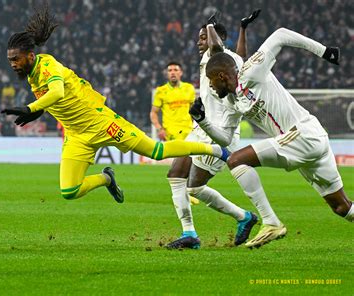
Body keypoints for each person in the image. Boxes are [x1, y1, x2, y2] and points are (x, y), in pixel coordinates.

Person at [1, 5, 230, 204]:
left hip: (102, 123)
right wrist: (38, 110)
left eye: (15, 59)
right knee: (69, 191)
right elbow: (58, 99)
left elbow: (58, 92)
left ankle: (216, 150)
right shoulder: (32, 76)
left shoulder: (47, 65)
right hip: (77, 135)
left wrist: (31, 107)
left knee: (157, 151)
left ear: (30, 56)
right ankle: (107, 178)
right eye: (10, 59)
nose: (12, 63)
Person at [191, 27, 352, 248]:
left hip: (304, 134)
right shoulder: (231, 102)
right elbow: (225, 139)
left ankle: (270, 222)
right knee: (342, 207)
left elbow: (281, 34)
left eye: (211, 80)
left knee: (236, 161)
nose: (209, 86)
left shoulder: (251, 71)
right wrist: (203, 121)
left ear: (221, 76)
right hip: (302, 144)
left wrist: (324, 51)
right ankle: (271, 222)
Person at [165, 11, 261, 250]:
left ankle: (243, 216)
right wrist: (243, 29)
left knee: (194, 187)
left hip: (218, 133)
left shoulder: (216, 56)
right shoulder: (231, 60)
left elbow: (219, 49)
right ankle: (189, 234)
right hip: (199, 128)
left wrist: (210, 26)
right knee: (175, 174)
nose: (199, 42)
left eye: (202, 38)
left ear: (214, 39)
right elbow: (241, 55)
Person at [150, 62, 195, 142]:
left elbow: (194, 111)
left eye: (175, 70)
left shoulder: (189, 88)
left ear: (181, 73)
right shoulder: (161, 91)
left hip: (189, 133)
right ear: (166, 74)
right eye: (170, 70)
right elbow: (153, 113)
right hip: (170, 135)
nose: (173, 72)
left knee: (189, 154)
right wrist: (159, 129)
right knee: (176, 155)